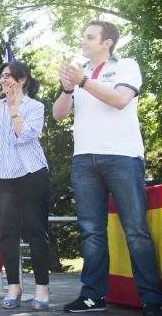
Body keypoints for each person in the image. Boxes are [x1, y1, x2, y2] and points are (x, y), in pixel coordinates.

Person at [54, 21, 162, 315]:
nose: (83, 41)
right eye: (82, 36)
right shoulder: (80, 74)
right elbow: (58, 115)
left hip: (122, 157)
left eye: (90, 37)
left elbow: (119, 100)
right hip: (84, 160)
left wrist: (83, 82)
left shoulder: (127, 65)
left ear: (108, 42)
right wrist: (67, 89)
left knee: (136, 230)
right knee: (91, 232)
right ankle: (93, 296)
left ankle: (152, 299)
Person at [0, 61, 51, 310]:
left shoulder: (35, 107)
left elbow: (25, 136)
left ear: (22, 79)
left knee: (35, 230)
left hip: (31, 173)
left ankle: (42, 287)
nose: (3, 80)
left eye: (8, 76)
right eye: (1, 76)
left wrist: (12, 109)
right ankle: (13, 286)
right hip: (0, 174)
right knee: (7, 232)